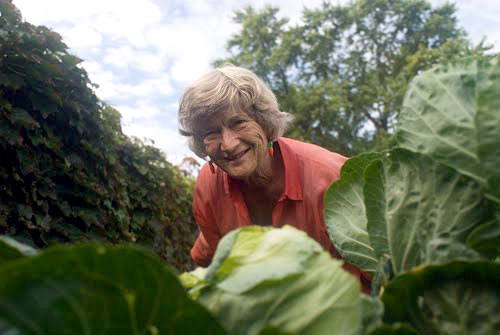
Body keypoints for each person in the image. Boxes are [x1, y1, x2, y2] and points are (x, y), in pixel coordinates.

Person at [178, 65, 371, 292]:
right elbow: (213, 260)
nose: (228, 144)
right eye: (211, 133)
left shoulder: (332, 178)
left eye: (238, 122)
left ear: (264, 122)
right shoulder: (209, 185)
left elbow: (380, 270)